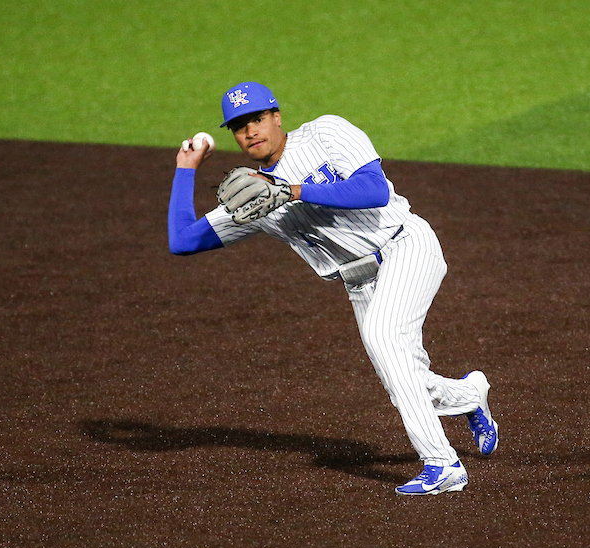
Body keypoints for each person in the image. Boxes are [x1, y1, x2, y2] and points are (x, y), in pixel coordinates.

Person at [167, 82, 498, 495]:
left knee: (385, 339)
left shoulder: (326, 133)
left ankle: (442, 464)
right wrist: (186, 168)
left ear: (276, 116)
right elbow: (181, 241)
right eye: (238, 126)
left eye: (256, 119)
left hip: (404, 246)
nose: (250, 131)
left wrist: (292, 191)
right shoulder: (250, 199)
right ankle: (468, 395)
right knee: (403, 380)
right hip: (359, 283)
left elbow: (374, 190)